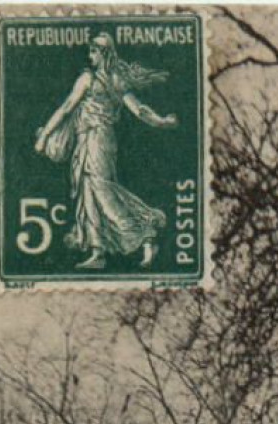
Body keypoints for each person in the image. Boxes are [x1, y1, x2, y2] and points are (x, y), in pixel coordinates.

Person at [33, 33, 177, 269]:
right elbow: (138, 109)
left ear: (104, 53)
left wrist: (45, 136)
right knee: (87, 190)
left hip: (97, 139)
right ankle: (97, 251)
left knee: (101, 190)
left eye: (93, 51)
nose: (90, 56)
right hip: (89, 139)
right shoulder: (115, 79)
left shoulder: (89, 79)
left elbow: (68, 107)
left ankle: (145, 234)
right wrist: (160, 121)